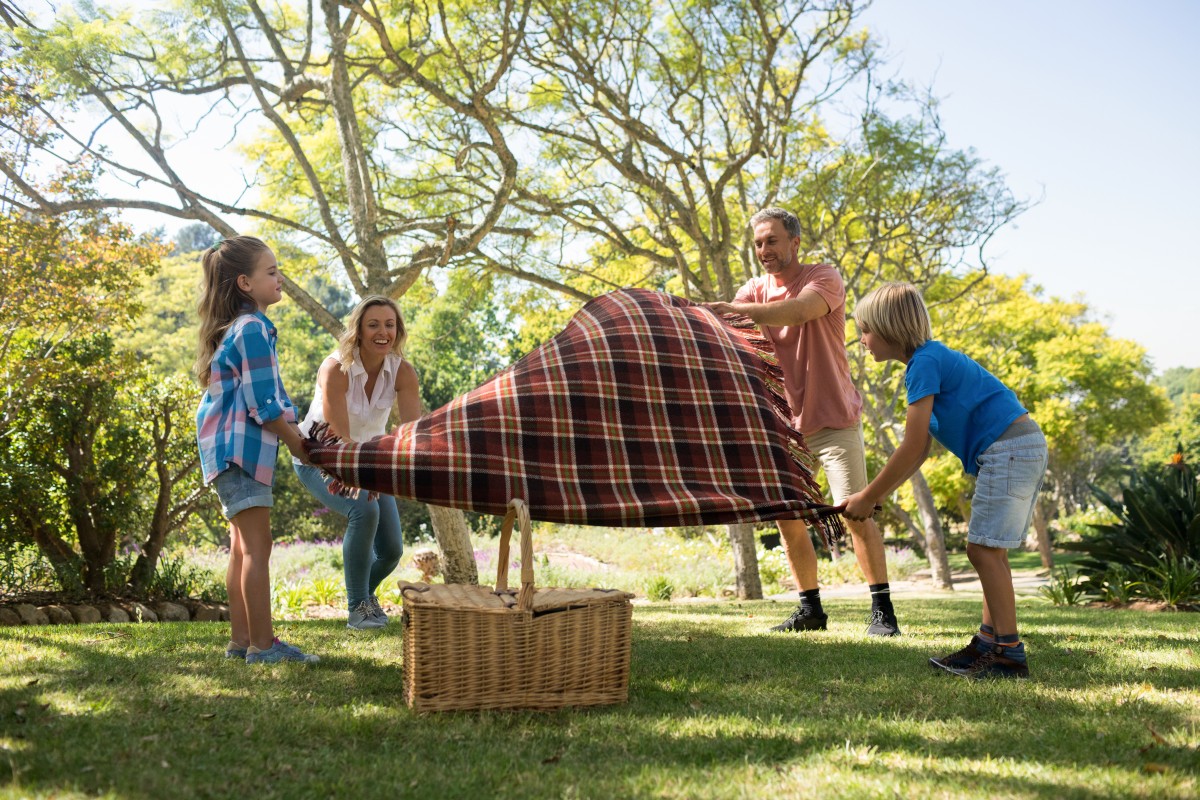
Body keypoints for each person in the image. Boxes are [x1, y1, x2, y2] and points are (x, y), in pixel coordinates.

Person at [704, 207, 900, 636]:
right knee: (787, 518)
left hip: (832, 420)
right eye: (758, 243)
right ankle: (810, 610)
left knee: (855, 511)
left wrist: (737, 310)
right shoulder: (751, 291)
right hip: (781, 427)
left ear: (794, 242)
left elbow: (798, 311)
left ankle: (882, 612)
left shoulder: (823, 277)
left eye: (771, 240)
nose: (764, 250)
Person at [844, 282, 1047, 679]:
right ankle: (989, 643)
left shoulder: (924, 363)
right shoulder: (929, 361)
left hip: (1009, 448)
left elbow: (913, 443)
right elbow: (920, 453)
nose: (862, 340)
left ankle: (1008, 652)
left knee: (983, 551)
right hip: (1017, 446)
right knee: (990, 551)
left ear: (888, 327)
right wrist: (877, 495)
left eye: (865, 330)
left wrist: (868, 496)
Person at [195, 235, 320, 665]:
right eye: (271, 271)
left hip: (227, 451)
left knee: (242, 548)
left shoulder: (243, 329)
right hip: (240, 450)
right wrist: (300, 447)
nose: (279, 277)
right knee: (258, 545)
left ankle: (242, 641)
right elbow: (264, 405)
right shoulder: (253, 329)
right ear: (245, 283)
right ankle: (263, 647)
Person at [294, 295, 422, 630]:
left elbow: (413, 432)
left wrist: (410, 462)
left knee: (392, 549)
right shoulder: (336, 368)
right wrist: (368, 477)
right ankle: (357, 609)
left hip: (367, 462)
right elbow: (340, 436)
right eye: (374, 325)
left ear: (398, 330)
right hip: (321, 456)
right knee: (364, 510)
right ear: (359, 331)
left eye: (390, 325)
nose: (383, 332)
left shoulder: (403, 372)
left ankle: (365, 597)